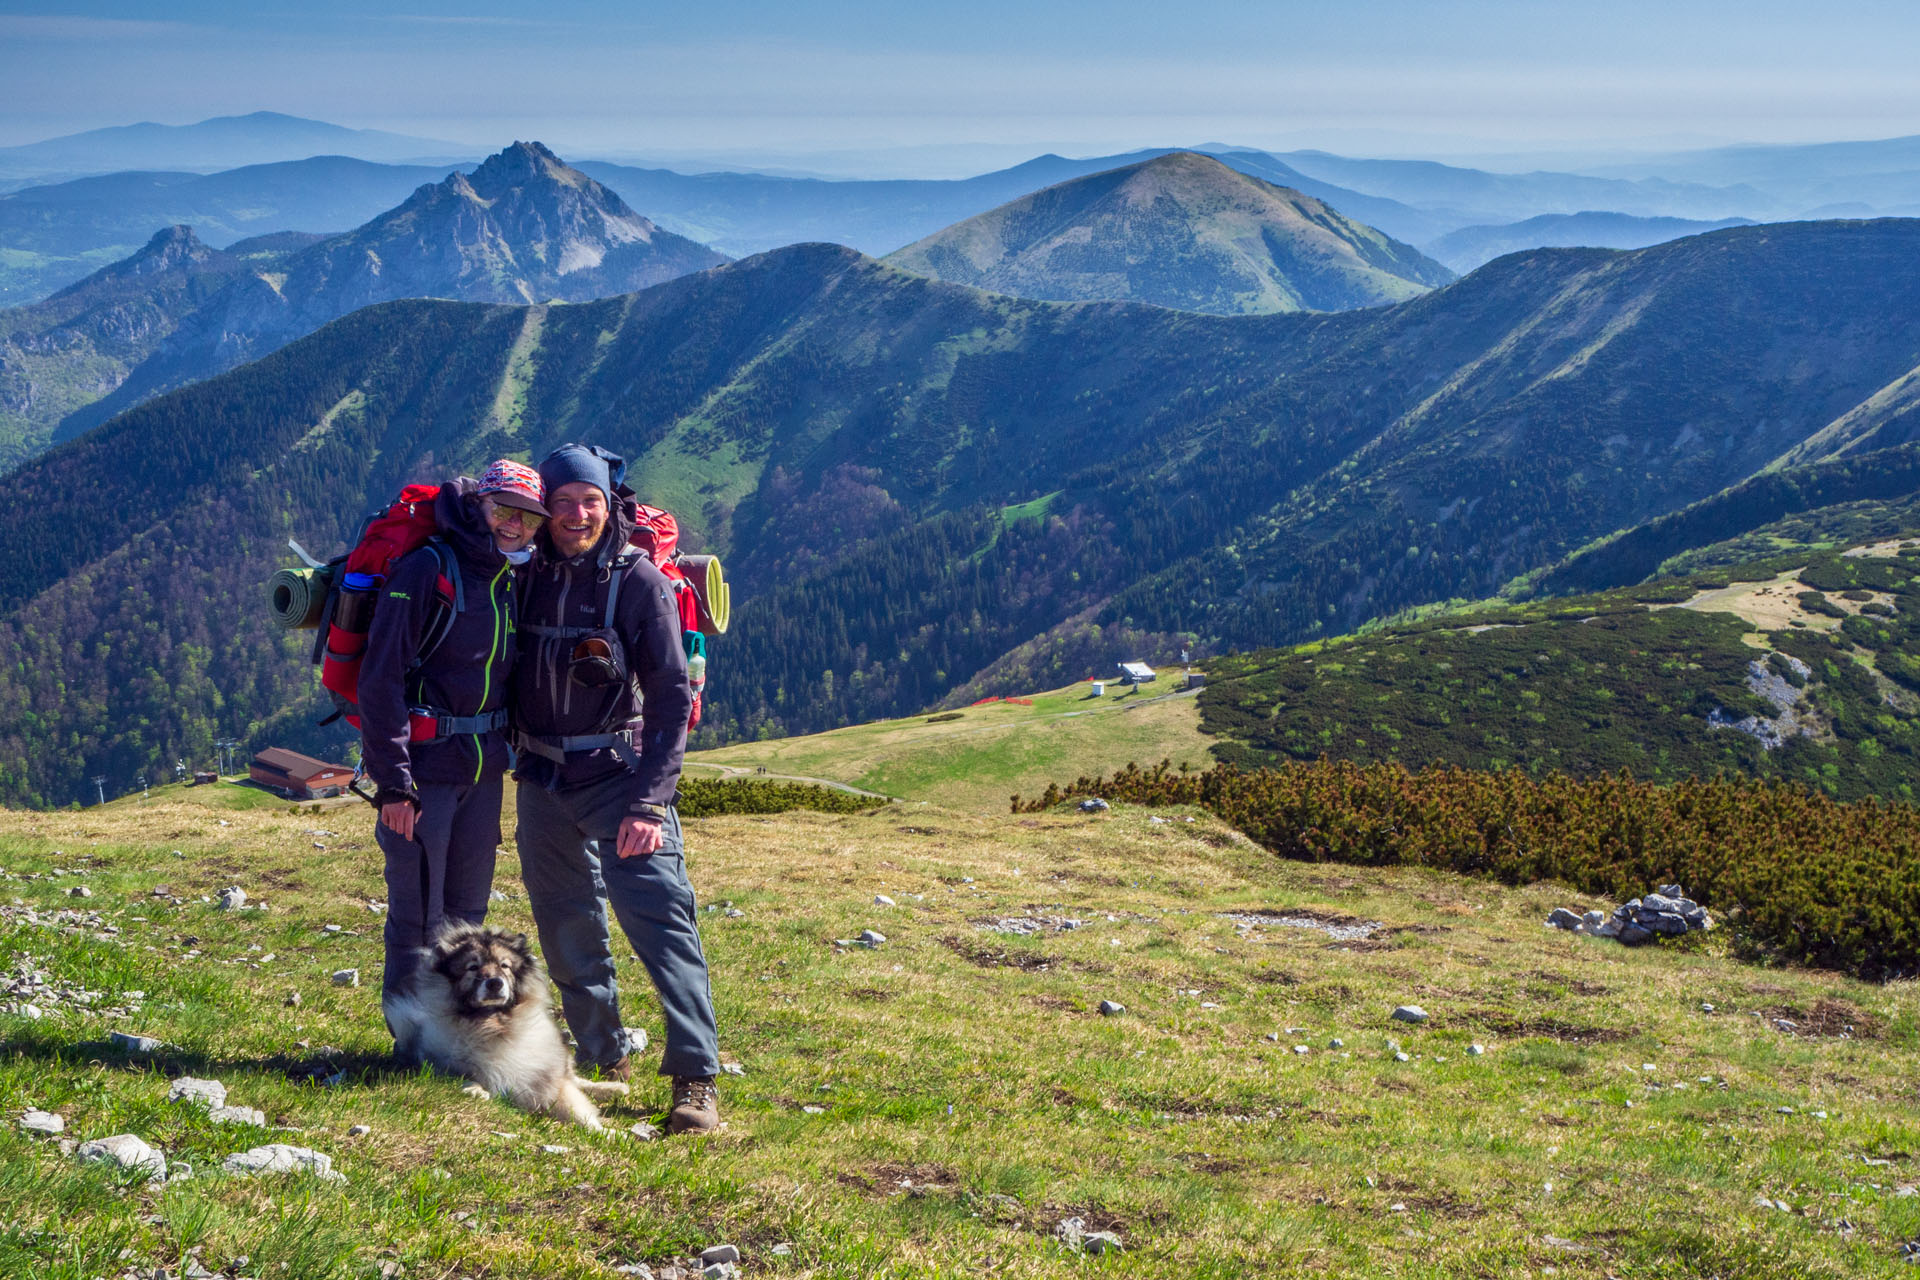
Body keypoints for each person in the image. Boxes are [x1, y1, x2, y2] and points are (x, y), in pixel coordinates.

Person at [510, 443, 721, 1134]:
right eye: (564, 503)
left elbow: (667, 697)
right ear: (545, 509)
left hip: (620, 778)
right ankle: (605, 1058)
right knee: (567, 929)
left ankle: (696, 1079)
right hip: (542, 779)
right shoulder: (524, 572)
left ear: (608, 506)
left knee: (662, 926)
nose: (577, 515)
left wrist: (650, 802)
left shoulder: (637, 582)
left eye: (590, 503)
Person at [360, 460, 549, 1011]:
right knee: (416, 914)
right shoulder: (428, 568)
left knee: (467, 914)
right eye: (505, 510)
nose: (515, 525)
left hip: (483, 771)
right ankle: (408, 1034)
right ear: (478, 505)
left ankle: (453, 1033)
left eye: (529, 518)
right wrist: (393, 785)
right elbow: (380, 680)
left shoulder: (506, 576)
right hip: (423, 774)